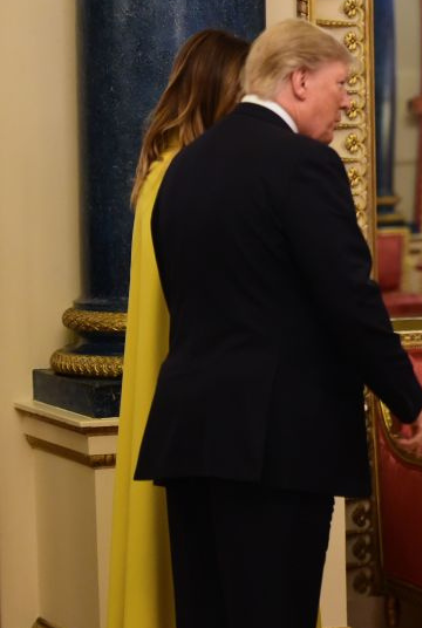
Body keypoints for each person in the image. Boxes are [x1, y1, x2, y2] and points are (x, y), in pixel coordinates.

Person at [133, 19, 422, 628]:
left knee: (208, 614)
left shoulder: (182, 169)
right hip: (275, 443)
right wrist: (407, 397)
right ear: (298, 80)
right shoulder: (303, 165)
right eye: (340, 84)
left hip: (190, 435)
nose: (347, 102)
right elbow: (349, 297)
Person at [108, 30, 249, 628]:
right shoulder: (188, 178)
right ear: (219, 92)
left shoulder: (164, 173)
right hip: (200, 391)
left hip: (175, 391)